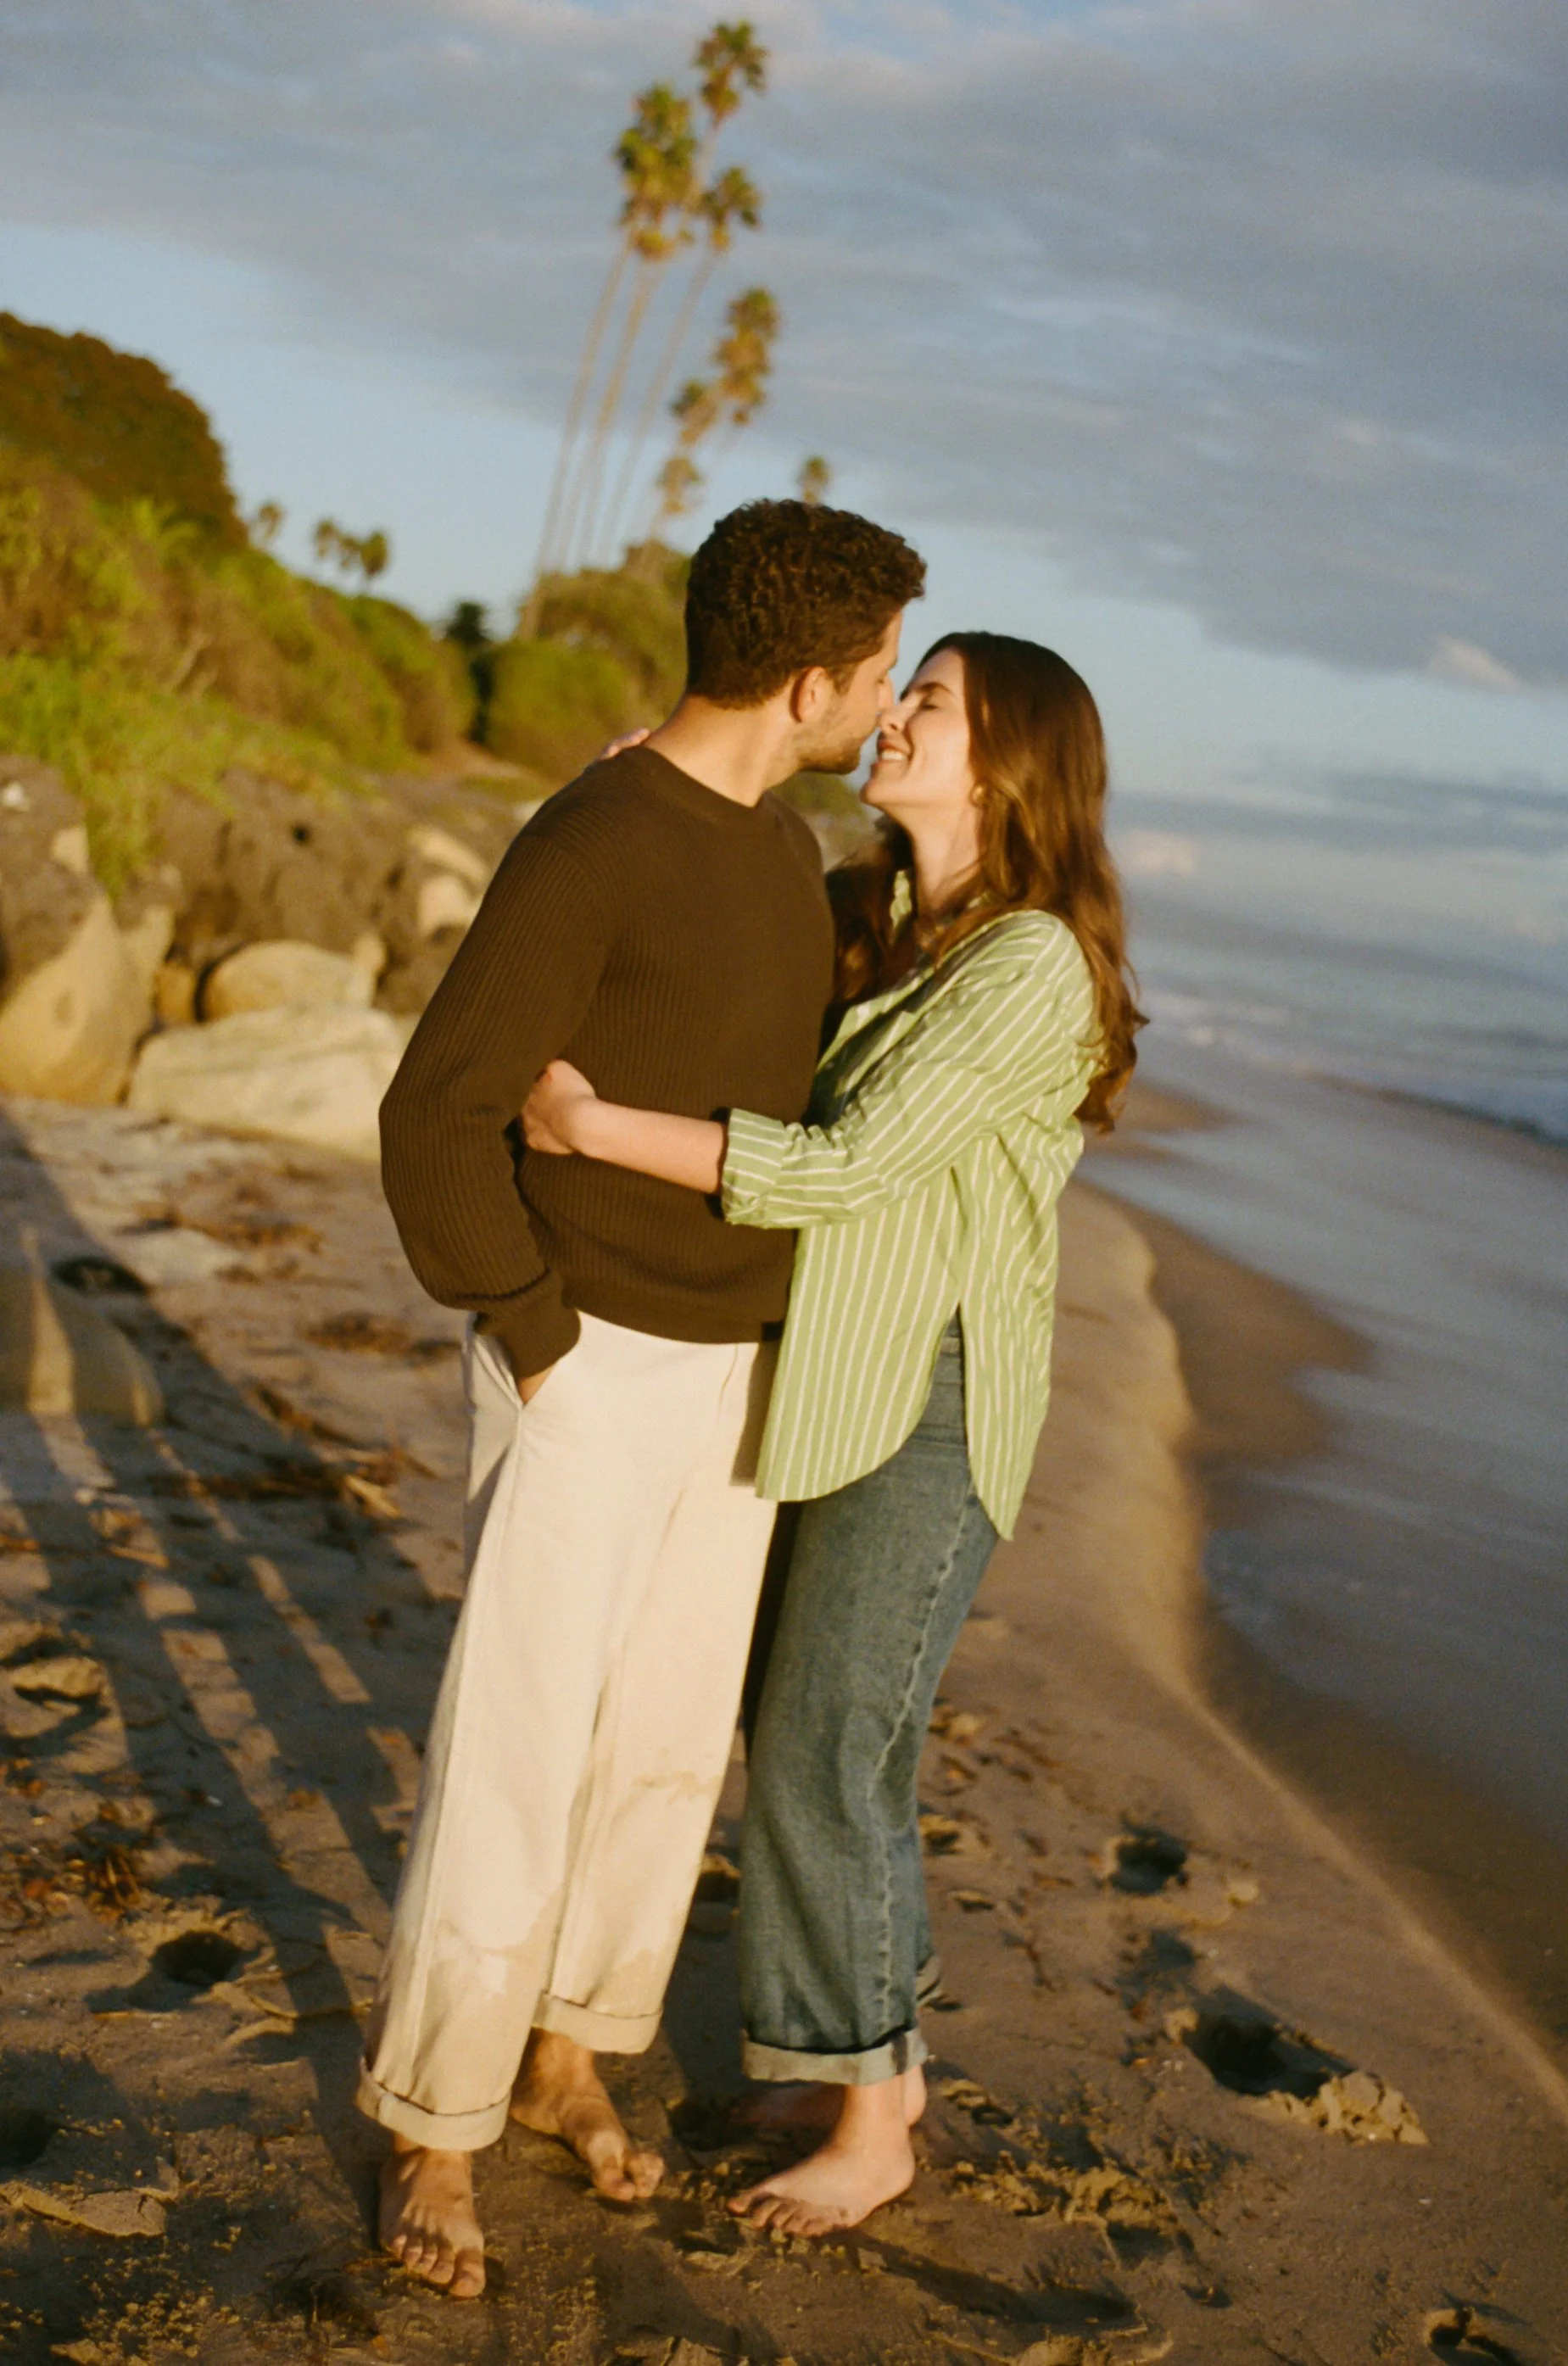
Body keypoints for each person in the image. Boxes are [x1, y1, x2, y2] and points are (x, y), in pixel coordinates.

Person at [365, 499, 926, 2296]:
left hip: (738, 1382)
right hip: (590, 1357)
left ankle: (566, 2057)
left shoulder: (773, 851)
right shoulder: (593, 836)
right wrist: (533, 1329)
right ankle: (434, 2130)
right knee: (515, 1757)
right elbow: (434, 1110)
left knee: (668, 1752)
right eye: (885, 672)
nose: (889, 701)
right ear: (818, 677)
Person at [522, 630, 1143, 2238]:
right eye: (904, 687)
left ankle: (873, 2125)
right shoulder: (882, 916)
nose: (895, 713)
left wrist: (589, 1127)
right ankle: (864, 2052)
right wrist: (632, 803)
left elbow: (843, 1168)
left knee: (826, 1745)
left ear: (1009, 763)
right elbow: (730, 964)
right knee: (810, 1728)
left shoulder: (1029, 970)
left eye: (930, 701)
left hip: (930, 1403)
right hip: (829, 1375)